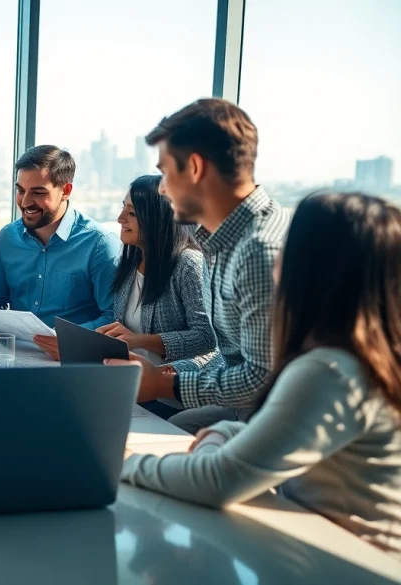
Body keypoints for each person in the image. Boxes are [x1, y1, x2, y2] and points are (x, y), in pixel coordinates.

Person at [121, 192, 401, 560]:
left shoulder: (328, 371)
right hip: (312, 548)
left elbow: (217, 481)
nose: (274, 263)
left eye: (286, 250)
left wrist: (117, 462)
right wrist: (226, 431)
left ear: (311, 268)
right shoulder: (355, 359)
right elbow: (290, 433)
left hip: (342, 564)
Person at [115, 98, 289, 433]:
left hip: (271, 425)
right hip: (238, 412)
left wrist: (165, 385)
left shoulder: (258, 250)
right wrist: (167, 374)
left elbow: (262, 380)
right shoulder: (220, 239)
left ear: (194, 168)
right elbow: (229, 356)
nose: (162, 189)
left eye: (165, 173)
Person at [33, 175, 217, 379]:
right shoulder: (129, 263)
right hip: (125, 381)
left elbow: (206, 338)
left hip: (170, 389)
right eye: (123, 208)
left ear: (158, 217)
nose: (121, 218)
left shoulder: (188, 264)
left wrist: (140, 340)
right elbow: (120, 331)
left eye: (132, 212)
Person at [0, 146, 121, 335]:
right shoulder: (8, 238)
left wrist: (66, 339)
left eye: (38, 193)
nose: (26, 202)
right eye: (20, 190)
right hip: (17, 352)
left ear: (66, 191)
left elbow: (113, 316)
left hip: (73, 358)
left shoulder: (100, 244)